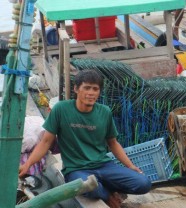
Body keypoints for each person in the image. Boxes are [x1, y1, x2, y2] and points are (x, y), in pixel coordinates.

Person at [19, 70, 151, 208]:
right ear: (76, 89)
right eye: (86, 88)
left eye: (95, 89)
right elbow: (45, 142)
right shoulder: (61, 110)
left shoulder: (104, 112)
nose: (91, 93)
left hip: (104, 165)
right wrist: (27, 165)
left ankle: (104, 188)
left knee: (143, 183)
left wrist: (130, 166)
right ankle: (108, 195)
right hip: (76, 169)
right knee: (87, 186)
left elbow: (113, 143)